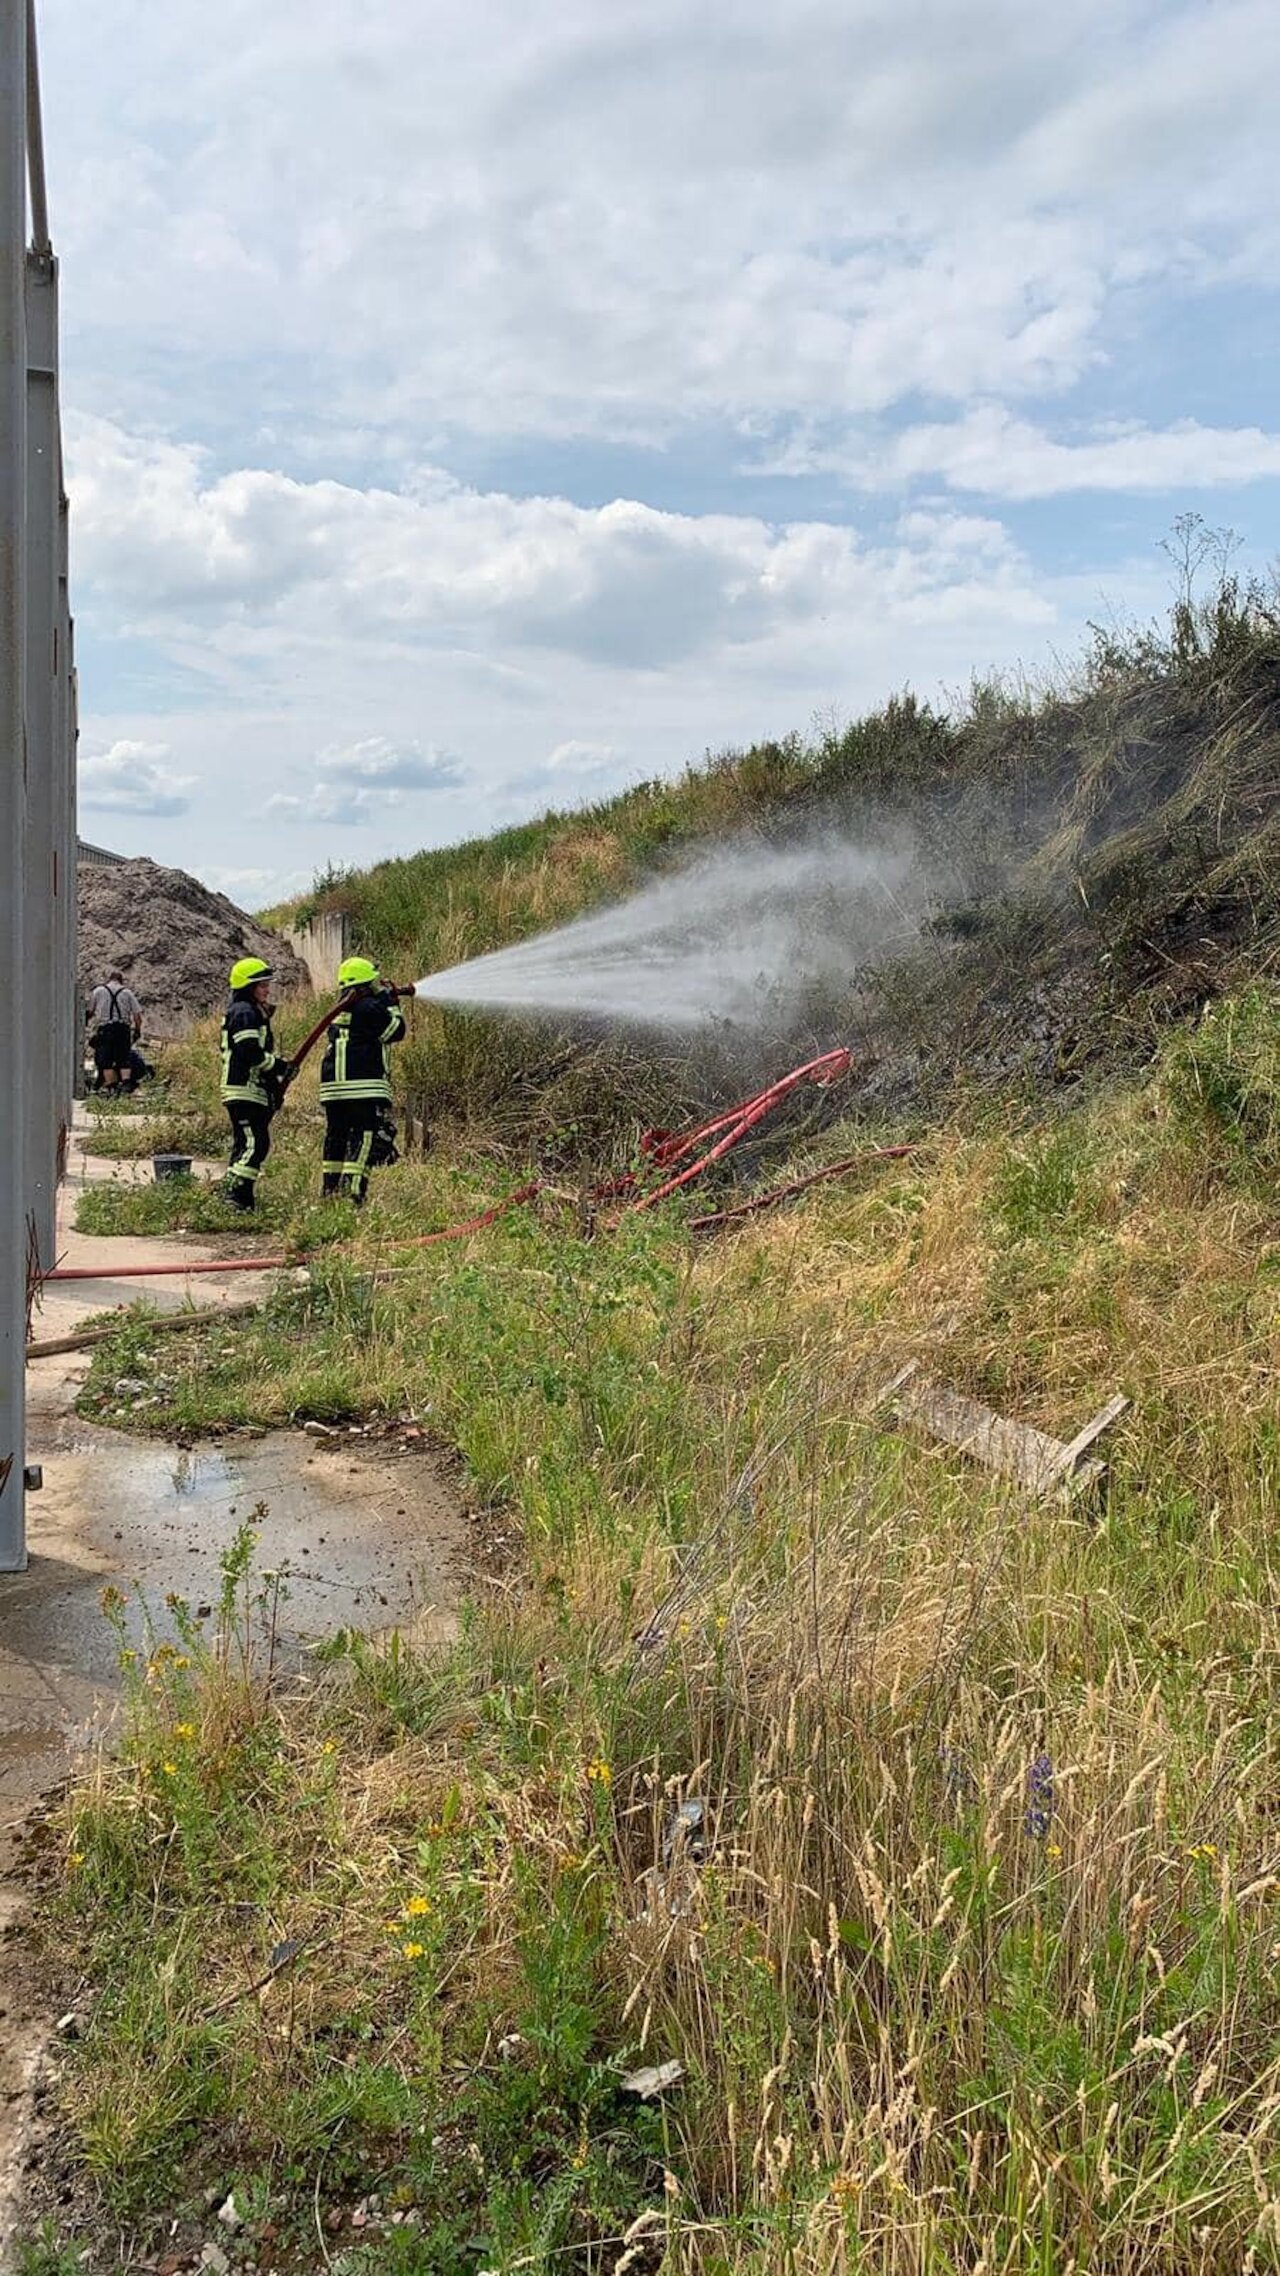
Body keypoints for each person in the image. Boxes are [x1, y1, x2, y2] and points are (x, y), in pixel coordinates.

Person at [319, 956, 407, 1205]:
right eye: (374, 981)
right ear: (365, 983)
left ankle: (330, 1191)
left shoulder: (340, 1007)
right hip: (362, 1086)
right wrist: (391, 1004)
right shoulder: (368, 1006)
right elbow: (395, 1031)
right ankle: (352, 1195)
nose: (378, 984)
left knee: (336, 1137)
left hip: (333, 1088)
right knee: (365, 1136)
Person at [220, 958, 293, 1211]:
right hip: (243, 1089)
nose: (266, 989)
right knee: (256, 1143)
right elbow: (249, 1051)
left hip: (251, 1089)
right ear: (247, 987)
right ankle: (234, 1195)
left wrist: (274, 1084)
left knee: (245, 1143)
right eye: (261, 985)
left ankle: (238, 1197)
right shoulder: (244, 1012)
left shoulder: (250, 1012)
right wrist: (279, 1066)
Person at [86, 972, 144, 1093]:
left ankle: (110, 1086)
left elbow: (90, 1012)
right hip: (123, 1029)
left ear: (109, 979)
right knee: (124, 1057)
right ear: (121, 980)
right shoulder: (127, 992)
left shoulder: (98, 991)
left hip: (105, 1028)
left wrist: (85, 1023)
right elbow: (137, 1016)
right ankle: (126, 1084)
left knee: (106, 1059)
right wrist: (137, 1030)